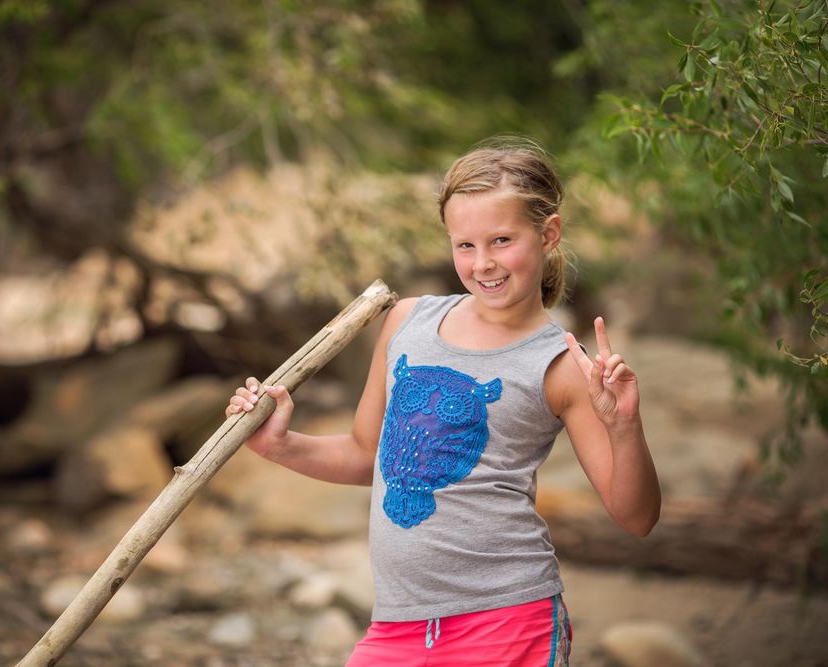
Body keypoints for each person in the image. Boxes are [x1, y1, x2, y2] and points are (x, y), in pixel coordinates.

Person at [225, 136, 661, 666]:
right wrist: (280, 446)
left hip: (508, 622)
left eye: (502, 240)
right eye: (465, 245)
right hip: (397, 626)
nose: (483, 264)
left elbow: (635, 516)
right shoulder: (408, 321)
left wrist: (624, 425)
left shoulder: (563, 365)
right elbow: (369, 455)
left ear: (548, 234)